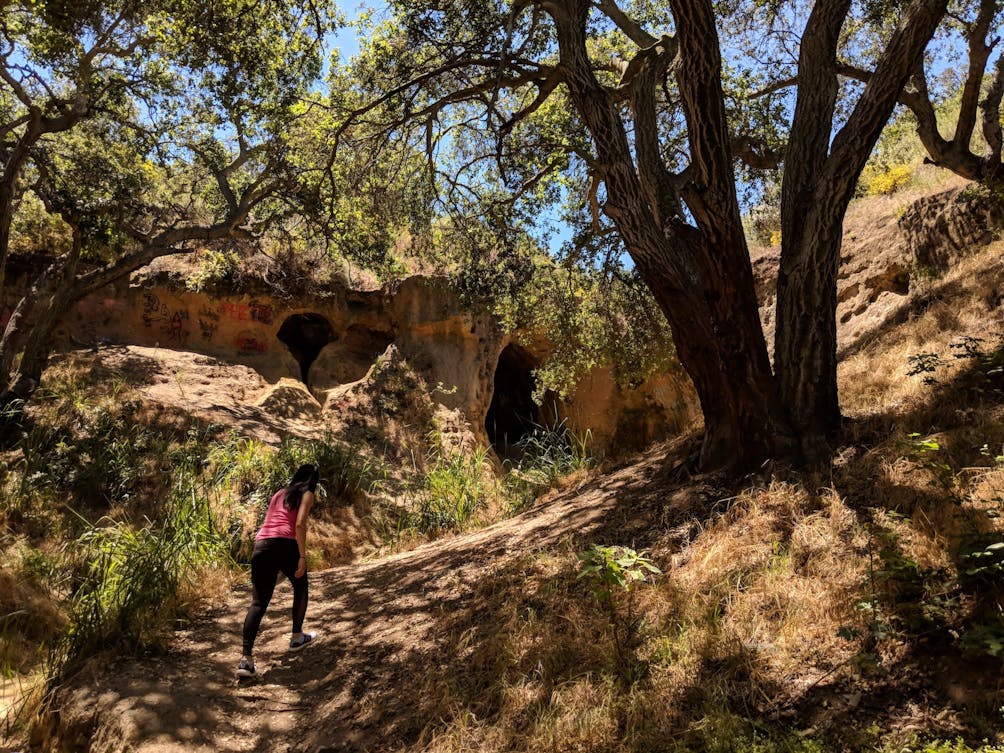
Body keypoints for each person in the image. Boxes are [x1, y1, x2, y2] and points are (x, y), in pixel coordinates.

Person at [237, 463, 319, 678]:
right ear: (313, 481)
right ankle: (297, 636)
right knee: (301, 585)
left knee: (258, 603)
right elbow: (299, 525)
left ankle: (246, 660)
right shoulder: (307, 494)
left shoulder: (279, 493)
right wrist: (301, 556)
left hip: (261, 544)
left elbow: (272, 521)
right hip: (285, 544)